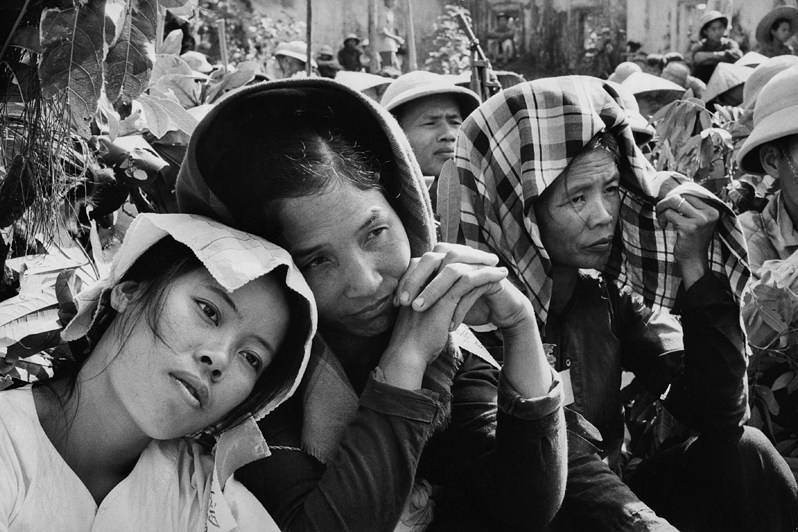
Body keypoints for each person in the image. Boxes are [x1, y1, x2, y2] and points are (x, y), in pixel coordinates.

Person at [176, 78, 567, 531]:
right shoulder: (261, 375)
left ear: (406, 210)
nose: (365, 283)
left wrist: (520, 326)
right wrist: (405, 360)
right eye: (317, 260)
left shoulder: (446, 342)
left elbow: (526, 504)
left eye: (375, 233)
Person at [439, 75, 798, 531]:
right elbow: (556, 470)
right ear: (520, 209)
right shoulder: (467, 316)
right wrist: (644, 524)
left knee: (747, 455)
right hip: (532, 517)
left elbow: (718, 412)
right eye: (577, 197)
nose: (604, 215)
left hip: (609, 510)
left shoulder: (605, 292)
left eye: (610, 189)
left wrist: (696, 270)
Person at [0, 213, 316, 530]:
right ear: (128, 292)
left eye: (251, 358)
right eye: (209, 311)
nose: (220, 359)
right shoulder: (9, 441)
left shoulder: (211, 504)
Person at [380, 70, 480, 204]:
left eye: (455, 122)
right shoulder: (381, 203)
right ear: (394, 135)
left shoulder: (483, 198)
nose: (449, 135)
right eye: (430, 123)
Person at [688, 10, 742, 84]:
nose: (717, 32)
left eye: (720, 27)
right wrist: (724, 57)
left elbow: (737, 55)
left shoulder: (729, 44)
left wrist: (711, 56)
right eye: (713, 29)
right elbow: (698, 57)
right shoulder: (699, 47)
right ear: (705, 31)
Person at [376, 0, 404, 72]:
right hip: (385, 47)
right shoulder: (383, 13)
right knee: (389, 70)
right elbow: (382, 30)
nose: (395, 2)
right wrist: (396, 38)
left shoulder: (390, 13)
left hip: (390, 46)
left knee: (395, 69)